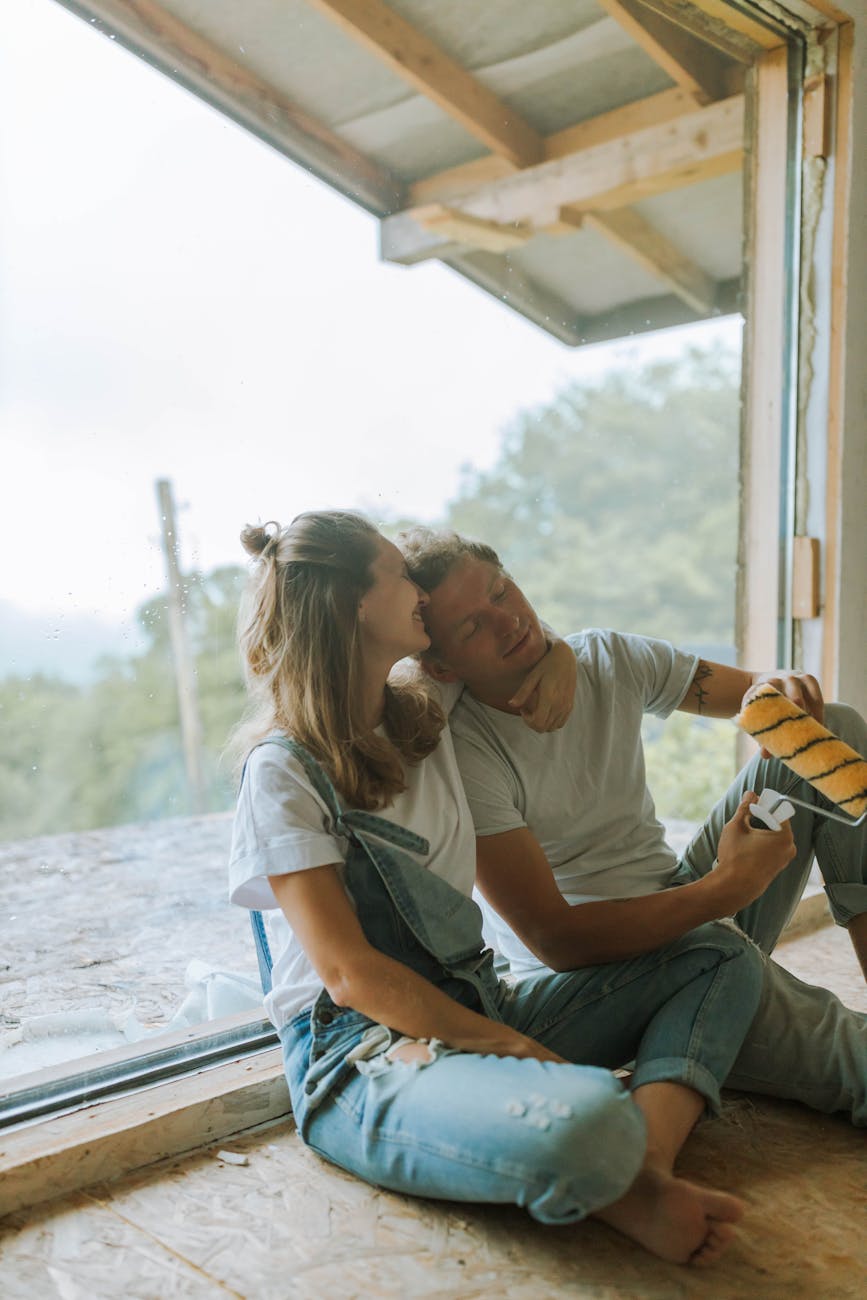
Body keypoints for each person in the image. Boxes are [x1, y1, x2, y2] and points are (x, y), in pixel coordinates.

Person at [228, 509, 769, 1266]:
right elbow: (349, 975)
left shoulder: (423, 710)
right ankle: (614, 1163)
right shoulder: (283, 770)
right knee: (583, 1116)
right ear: (353, 605)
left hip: (476, 1000)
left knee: (718, 956)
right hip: (365, 1060)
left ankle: (639, 1170)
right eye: (396, 574)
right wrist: (513, 1049)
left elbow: (509, 652)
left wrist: (557, 655)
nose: (416, 589)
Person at [398, 526, 867, 1124]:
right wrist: (726, 887)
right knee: (849, 1052)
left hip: (688, 900)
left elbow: (755, 694)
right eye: (471, 626)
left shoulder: (604, 659)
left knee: (837, 730)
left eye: (501, 591)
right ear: (440, 666)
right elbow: (558, 942)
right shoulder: (467, 753)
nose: (507, 620)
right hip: (614, 974)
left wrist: (781, 687)